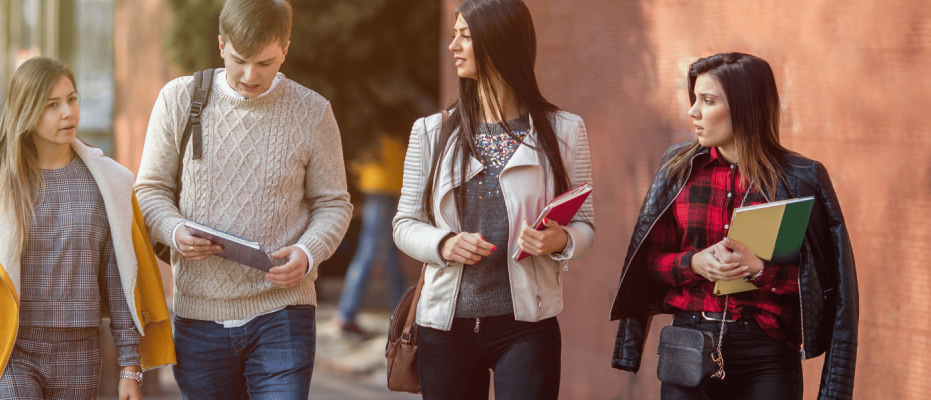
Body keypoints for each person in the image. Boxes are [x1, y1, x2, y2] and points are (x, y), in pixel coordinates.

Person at [0, 57, 176, 400]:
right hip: (10, 350)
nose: (67, 112)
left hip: (80, 353)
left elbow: (120, 280)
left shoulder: (108, 184)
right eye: (52, 105)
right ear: (26, 111)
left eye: (71, 99)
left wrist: (130, 367)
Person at [134, 0, 353, 397]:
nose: (251, 75)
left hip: (282, 314)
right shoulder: (179, 100)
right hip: (198, 317)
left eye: (266, 63)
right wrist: (175, 229)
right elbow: (149, 190)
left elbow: (334, 204)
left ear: (285, 50)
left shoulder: (313, 112)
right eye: (240, 60)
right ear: (221, 45)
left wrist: (308, 252)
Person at [608, 53, 858, 399]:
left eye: (707, 101)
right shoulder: (677, 170)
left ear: (746, 107)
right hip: (689, 344)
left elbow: (823, 286)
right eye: (694, 98)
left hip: (768, 352)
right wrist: (695, 262)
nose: (693, 112)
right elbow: (650, 263)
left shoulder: (800, 179)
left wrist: (758, 270)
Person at [391, 0, 595, 398]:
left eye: (465, 36)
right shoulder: (431, 132)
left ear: (500, 42)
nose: (453, 46)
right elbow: (404, 224)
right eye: (454, 34)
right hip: (445, 326)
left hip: (526, 326)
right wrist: (444, 243)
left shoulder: (565, 130)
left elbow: (585, 224)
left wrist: (561, 240)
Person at [333, 130, 408, 337]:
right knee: (370, 249)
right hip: (383, 184)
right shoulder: (380, 112)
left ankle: (403, 314)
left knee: (391, 252)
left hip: (386, 183)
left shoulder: (376, 114)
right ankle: (346, 314)